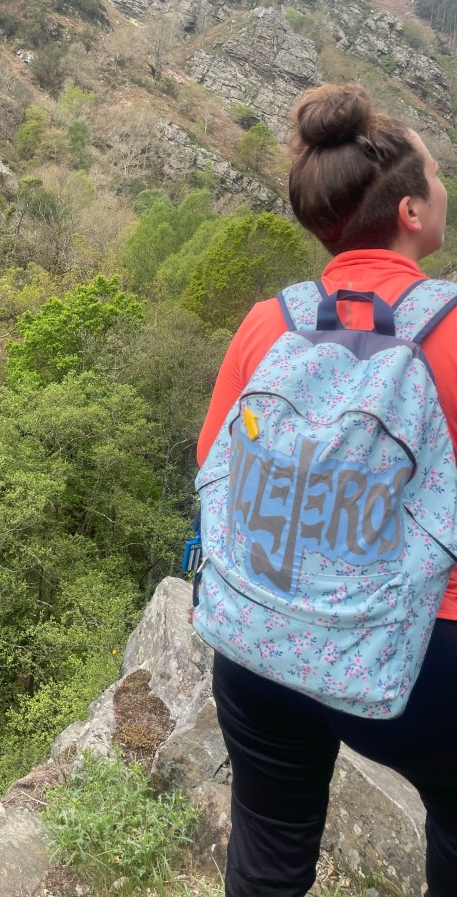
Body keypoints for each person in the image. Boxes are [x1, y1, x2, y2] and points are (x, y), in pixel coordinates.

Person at [194, 83, 457, 897]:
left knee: (268, 852)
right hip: (421, 662)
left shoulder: (268, 322)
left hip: (259, 642)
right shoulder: (451, 330)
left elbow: (212, 462)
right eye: (437, 175)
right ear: (411, 211)